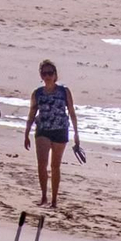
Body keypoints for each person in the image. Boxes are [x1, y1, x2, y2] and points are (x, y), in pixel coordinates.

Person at [24, 59, 81, 209]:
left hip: (60, 130)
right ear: (41, 76)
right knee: (42, 165)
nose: (47, 76)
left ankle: (54, 199)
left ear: (55, 75)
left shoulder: (64, 91)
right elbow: (31, 113)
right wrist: (26, 133)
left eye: (50, 73)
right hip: (43, 130)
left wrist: (76, 134)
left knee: (55, 166)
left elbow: (72, 112)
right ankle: (43, 196)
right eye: (45, 73)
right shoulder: (37, 93)